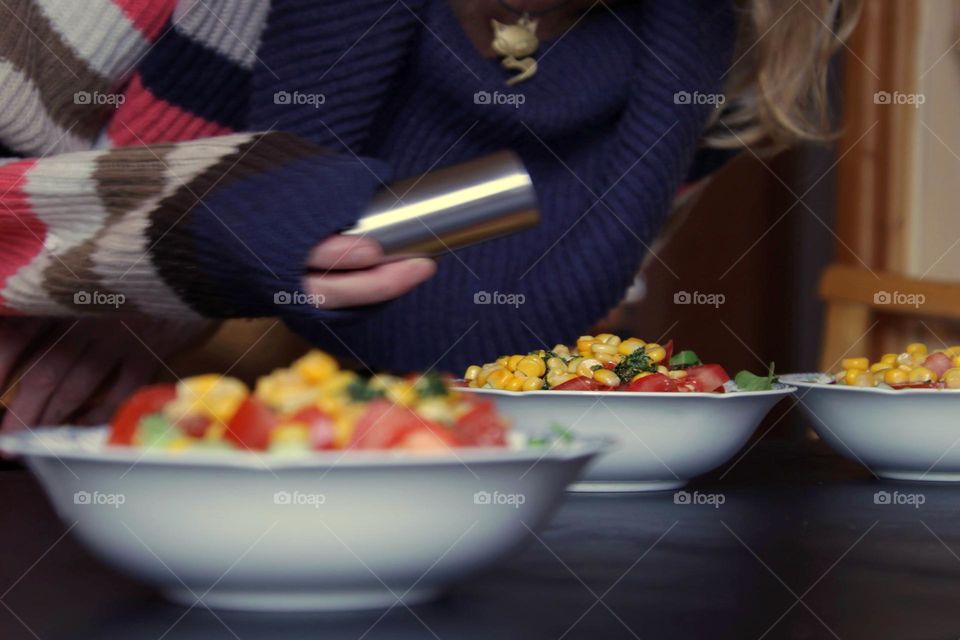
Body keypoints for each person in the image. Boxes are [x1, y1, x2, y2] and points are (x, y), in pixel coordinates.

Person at [0, 0, 858, 430]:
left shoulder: (725, 59)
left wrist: (185, 295)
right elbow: (205, 244)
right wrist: (132, 256)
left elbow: (398, 261)